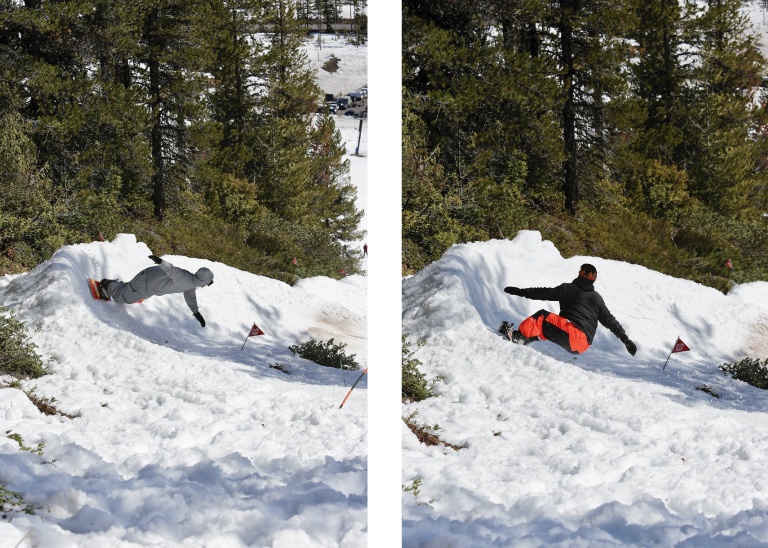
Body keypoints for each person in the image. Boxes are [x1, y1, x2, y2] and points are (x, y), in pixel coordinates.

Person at [501, 263, 636, 356]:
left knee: (541, 317)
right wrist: (626, 340)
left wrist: (520, 291)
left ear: (581, 274)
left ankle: (517, 336)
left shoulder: (570, 289)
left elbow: (543, 293)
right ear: (593, 280)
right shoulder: (597, 298)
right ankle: (525, 339)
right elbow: (610, 321)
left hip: (574, 334)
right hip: (583, 345)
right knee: (550, 325)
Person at [99, 255, 214, 327]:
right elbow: (171, 269)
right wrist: (160, 261)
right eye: (208, 283)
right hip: (147, 281)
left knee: (135, 293)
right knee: (125, 298)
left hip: (151, 285)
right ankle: (107, 285)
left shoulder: (191, 284)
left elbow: (190, 298)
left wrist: (196, 313)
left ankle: (127, 287)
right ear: (203, 281)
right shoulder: (185, 278)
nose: (207, 285)